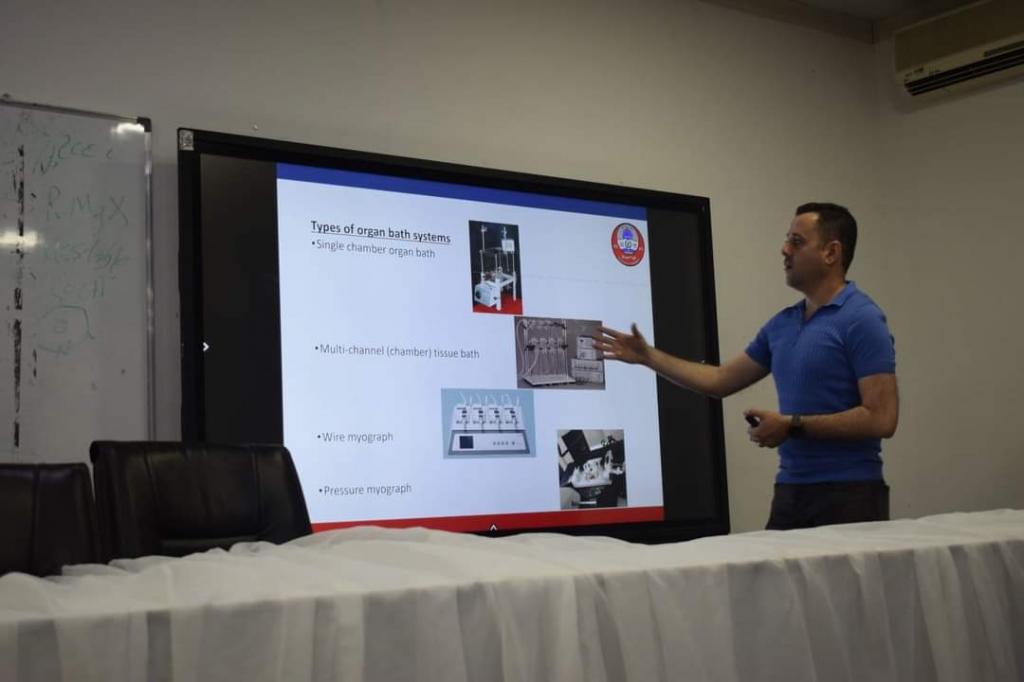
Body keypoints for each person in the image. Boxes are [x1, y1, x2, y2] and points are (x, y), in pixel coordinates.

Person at [595, 203, 898, 530]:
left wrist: (792, 425)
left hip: (851, 494)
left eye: (796, 242)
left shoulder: (861, 319)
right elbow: (720, 380)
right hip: (790, 492)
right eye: (787, 240)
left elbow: (881, 418)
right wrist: (648, 356)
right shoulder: (782, 325)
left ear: (831, 252)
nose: (784, 250)